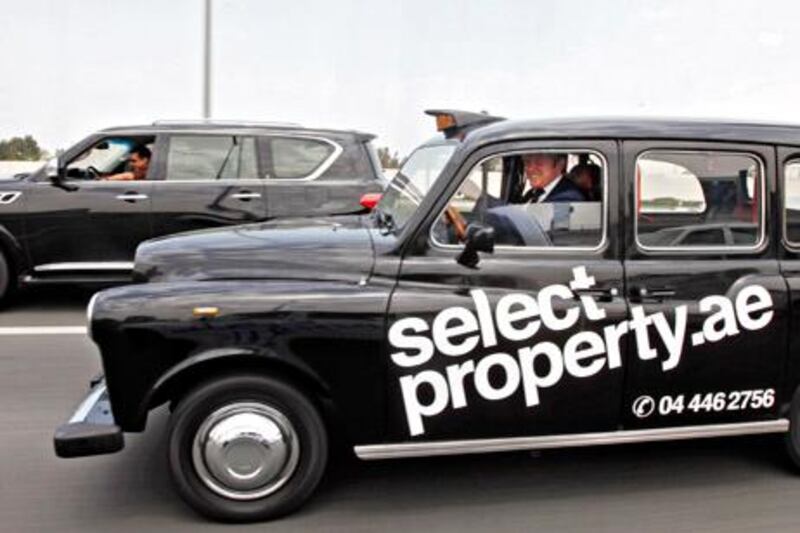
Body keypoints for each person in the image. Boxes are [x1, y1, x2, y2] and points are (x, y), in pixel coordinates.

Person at [518, 153, 585, 203]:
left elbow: (560, 221)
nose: (530, 169)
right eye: (527, 163)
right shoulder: (533, 192)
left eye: (539, 163)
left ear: (560, 164)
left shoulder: (568, 198)